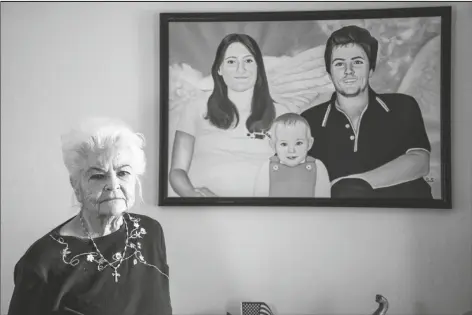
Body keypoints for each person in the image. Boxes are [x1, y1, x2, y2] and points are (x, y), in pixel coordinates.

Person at [8, 118, 172, 315]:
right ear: (76, 185)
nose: (113, 184)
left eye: (123, 173)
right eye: (98, 175)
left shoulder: (150, 232)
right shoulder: (42, 262)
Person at [301, 25, 433, 198]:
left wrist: (352, 185)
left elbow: (420, 161)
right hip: (339, 220)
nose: (348, 71)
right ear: (330, 72)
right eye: (339, 64)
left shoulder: (403, 105)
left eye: (357, 62)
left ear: (371, 69)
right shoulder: (308, 121)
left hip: (406, 217)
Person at [169, 33, 288, 197]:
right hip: (205, 213)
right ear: (219, 68)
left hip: (264, 212)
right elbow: (177, 170)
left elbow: (295, 170)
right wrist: (192, 195)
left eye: (248, 61)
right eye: (231, 62)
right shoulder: (195, 107)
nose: (241, 69)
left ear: (258, 67)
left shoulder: (282, 114)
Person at [253, 113, 331, 197]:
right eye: (284, 144)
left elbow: (324, 199)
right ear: (273, 145)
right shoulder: (267, 166)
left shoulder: (318, 167)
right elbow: (260, 199)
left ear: (309, 144)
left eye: (298, 143)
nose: (291, 150)